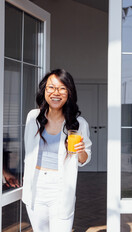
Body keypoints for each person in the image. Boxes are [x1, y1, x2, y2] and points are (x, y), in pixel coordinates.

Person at [22, 69, 92, 232]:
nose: (56, 92)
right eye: (51, 87)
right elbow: (29, 152)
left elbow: (84, 159)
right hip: (36, 185)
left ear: (69, 93)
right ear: (44, 91)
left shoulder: (79, 123)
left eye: (62, 88)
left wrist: (81, 151)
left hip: (61, 187)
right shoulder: (33, 118)